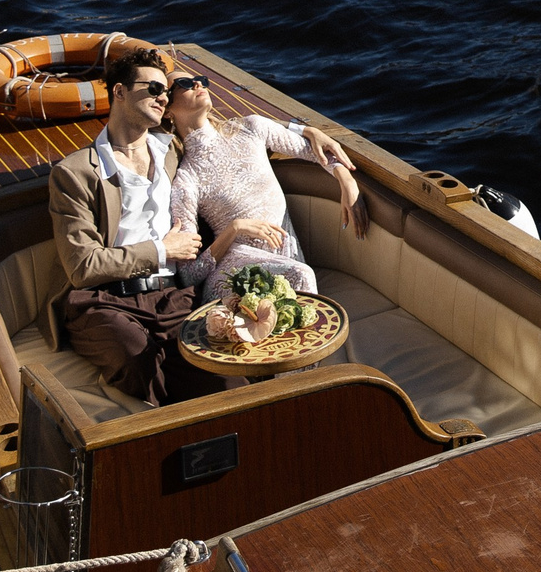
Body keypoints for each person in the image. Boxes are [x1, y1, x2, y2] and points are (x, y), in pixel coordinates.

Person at [47, 47, 220, 405]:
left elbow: (230, 141)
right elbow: (83, 267)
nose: (163, 97)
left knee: (223, 374)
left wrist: (309, 136)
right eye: (153, 89)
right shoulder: (75, 173)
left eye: (166, 92)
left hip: (175, 296)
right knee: (139, 357)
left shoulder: (172, 151)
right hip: (103, 302)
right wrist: (162, 250)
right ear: (120, 92)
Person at [166, 71, 367, 300]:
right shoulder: (187, 179)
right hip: (234, 274)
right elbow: (189, 275)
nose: (196, 83)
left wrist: (347, 181)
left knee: (297, 278)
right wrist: (235, 228)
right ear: (167, 110)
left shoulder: (251, 128)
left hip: (285, 257)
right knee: (301, 275)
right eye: (183, 83)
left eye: (201, 80)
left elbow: (318, 153)